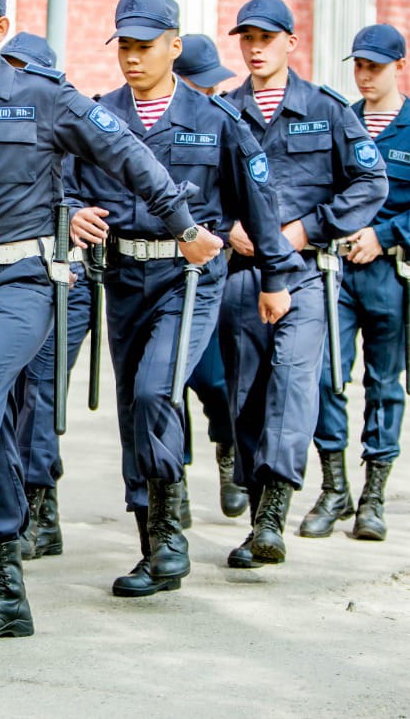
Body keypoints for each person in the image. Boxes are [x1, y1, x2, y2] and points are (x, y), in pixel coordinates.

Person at [0, 0, 220, 642]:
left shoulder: (42, 95)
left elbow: (128, 155)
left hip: (23, 282)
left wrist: (180, 224)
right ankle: (6, 591)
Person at [81, 0, 299, 598]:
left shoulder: (216, 119)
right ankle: (153, 547)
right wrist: (73, 215)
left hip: (191, 279)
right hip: (123, 277)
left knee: (157, 389)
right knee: (134, 407)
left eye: (144, 47)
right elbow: (63, 182)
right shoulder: (98, 115)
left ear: (173, 47)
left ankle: (173, 531)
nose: (131, 57)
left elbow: (259, 205)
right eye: (123, 45)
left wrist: (277, 278)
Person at [220, 0, 388, 568]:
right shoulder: (222, 111)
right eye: (247, 38)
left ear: (291, 42)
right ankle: (255, 514)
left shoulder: (326, 108)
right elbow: (192, 184)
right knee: (245, 396)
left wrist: (304, 230)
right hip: (241, 276)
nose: (256, 47)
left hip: (306, 274)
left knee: (293, 387)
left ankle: (272, 518)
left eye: (267, 37)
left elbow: (370, 182)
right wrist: (226, 227)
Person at [302, 24, 410, 541]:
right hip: (337, 271)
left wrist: (387, 235)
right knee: (327, 375)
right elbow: (314, 186)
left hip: (391, 273)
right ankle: (334, 489)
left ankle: (374, 496)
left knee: (384, 383)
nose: (365, 75)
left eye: (376, 66)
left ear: (400, 68)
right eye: (359, 66)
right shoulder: (340, 121)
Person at [0, 32, 101, 561]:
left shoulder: (75, 119)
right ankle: (24, 505)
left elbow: (109, 193)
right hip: (6, 282)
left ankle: (39, 509)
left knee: (38, 393)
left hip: (64, 282)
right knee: (11, 396)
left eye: (21, 71)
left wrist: (74, 213)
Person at [173, 33, 248, 519]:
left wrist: (233, 228)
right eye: (200, 87)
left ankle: (227, 448)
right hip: (158, 272)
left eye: (213, 87)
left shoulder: (223, 124)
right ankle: (172, 481)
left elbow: (246, 193)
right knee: (164, 385)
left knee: (214, 381)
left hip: (212, 270)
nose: (210, 95)